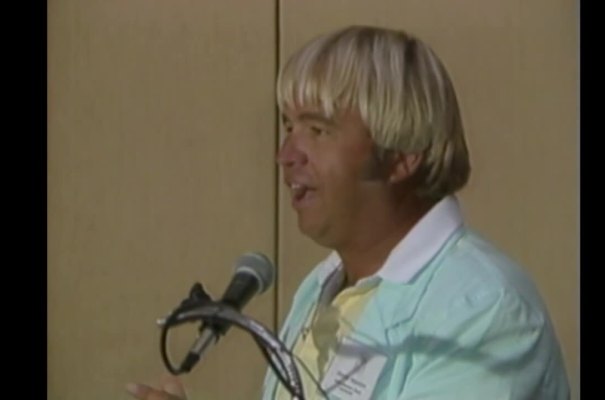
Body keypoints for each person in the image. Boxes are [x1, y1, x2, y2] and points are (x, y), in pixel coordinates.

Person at [126, 25, 571, 400]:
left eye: (318, 130)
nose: (286, 155)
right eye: (288, 126)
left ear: (402, 155)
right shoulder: (324, 284)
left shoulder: (485, 311)